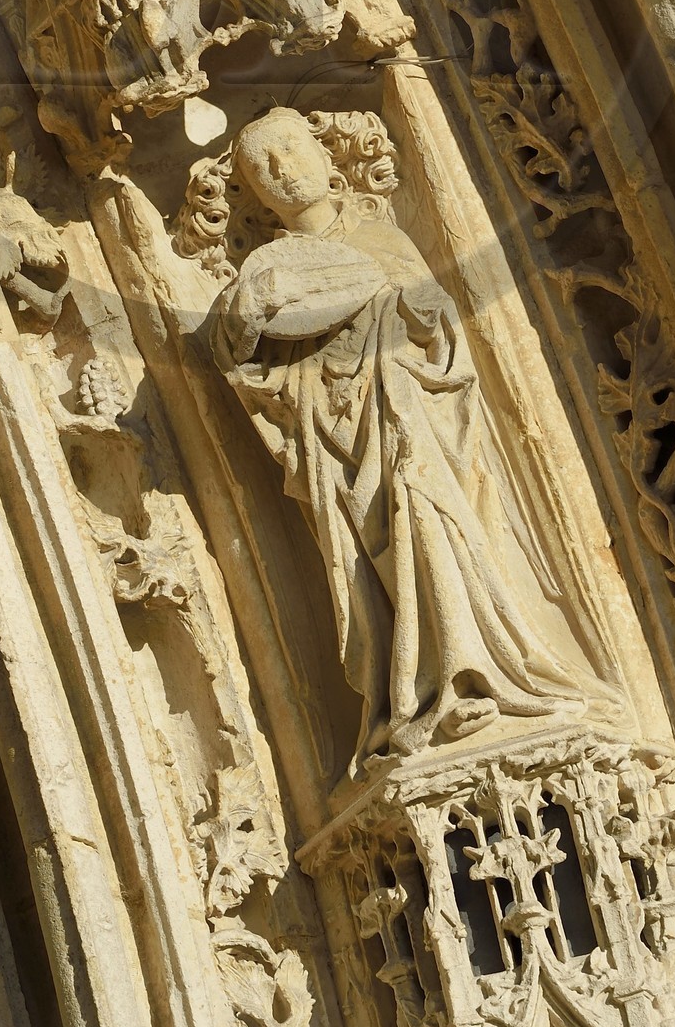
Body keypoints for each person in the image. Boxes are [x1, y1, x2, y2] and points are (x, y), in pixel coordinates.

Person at [211, 106, 598, 767]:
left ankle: (476, 674)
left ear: (327, 159)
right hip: (337, 446)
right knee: (369, 577)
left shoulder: (375, 236)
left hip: (407, 424)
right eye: (261, 169)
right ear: (254, 193)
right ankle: (414, 694)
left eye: (290, 151)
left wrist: (389, 313)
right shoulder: (268, 269)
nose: (282, 171)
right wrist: (245, 318)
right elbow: (241, 356)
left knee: (434, 526)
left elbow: (433, 318)